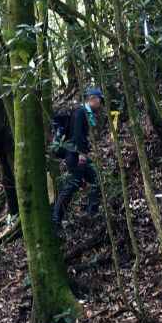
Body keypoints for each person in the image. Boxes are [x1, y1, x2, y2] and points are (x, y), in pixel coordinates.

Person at [52, 87, 103, 230]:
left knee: (96, 182)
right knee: (70, 187)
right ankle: (55, 220)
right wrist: (81, 153)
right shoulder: (81, 111)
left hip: (76, 155)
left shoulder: (82, 111)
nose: (101, 106)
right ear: (92, 99)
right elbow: (77, 133)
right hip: (75, 155)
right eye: (100, 102)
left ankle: (92, 213)